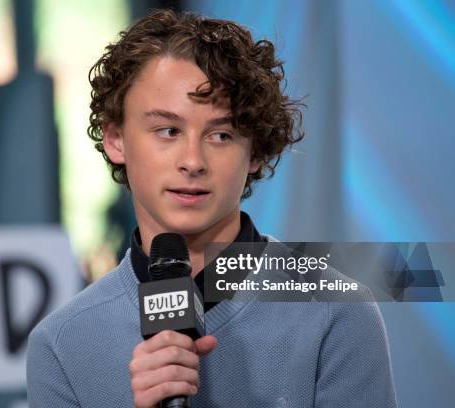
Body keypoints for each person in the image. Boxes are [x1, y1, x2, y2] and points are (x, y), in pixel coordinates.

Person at [27, 9, 397, 408]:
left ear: (254, 150)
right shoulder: (63, 342)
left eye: (221, 134)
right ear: (116, 139)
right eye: (168, 131)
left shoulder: (335, 312)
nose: (193, 160)